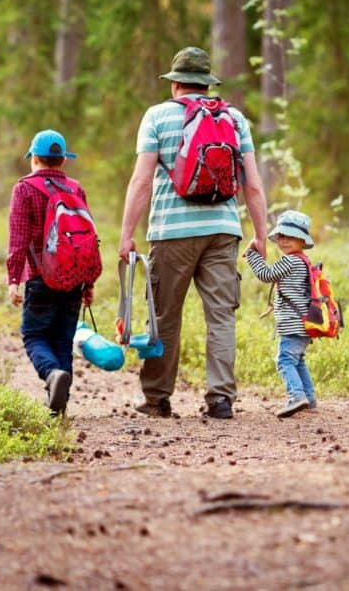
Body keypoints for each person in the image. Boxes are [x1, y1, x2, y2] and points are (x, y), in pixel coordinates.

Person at [118, 46, 269, 419]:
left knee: (165, 316)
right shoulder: (234, 118)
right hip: (223, 230)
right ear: (206, 84)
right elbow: (252, 185)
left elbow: (142, 180)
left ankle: (156, 398)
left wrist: (126, 234)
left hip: (172, 232)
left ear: (176, 86)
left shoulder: (156, 117)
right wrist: (260, 235)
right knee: (221, 315)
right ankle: (220, 399)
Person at [8, 130, 97, 415]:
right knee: (62, 338)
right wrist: (88, 283)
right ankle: (59, 406)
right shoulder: (75, 188)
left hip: (39, 277)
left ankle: (50, 375)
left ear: (34, 158)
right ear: (63, 161)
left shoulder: (24, 188)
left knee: (33, 335)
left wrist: (13, 280)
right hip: (73, 279)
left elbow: (18, 239)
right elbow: (87, 240)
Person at [244, 210, 318, 418]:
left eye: (291, 237)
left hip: (293, 324)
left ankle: (296, 396)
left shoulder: (291, 261)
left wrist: (252, 254)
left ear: (302, 240)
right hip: (304, 324)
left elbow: (265, 275)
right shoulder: (304, 261)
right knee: (298, 360)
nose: (284, 241)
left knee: (284, 360)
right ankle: (309, 398)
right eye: (281, 237)